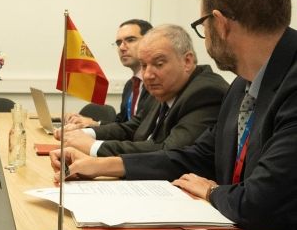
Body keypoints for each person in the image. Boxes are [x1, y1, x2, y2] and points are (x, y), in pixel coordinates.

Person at [51, 0, 296, 230]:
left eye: (202, 27)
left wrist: (211, 190)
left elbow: (259, 203)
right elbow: (196, 155)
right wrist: (102, 166)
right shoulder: (243, 85)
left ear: (220, 23)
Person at [56, 24, 229, 157]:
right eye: (144, 65)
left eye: (158, 64)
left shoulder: (205, 92)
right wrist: (84, 133)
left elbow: (169, 152)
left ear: (187, 61)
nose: (147, 75)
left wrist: (94, 147)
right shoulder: (163, 86)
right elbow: (134, 127)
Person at [64, 19, 156, 128]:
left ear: (150, 42)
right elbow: (123, 123)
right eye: (119, 43)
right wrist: (93, 123)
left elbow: (140, 127)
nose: (122, 47)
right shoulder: (130, 85)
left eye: (130, 40)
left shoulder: (156, 83)